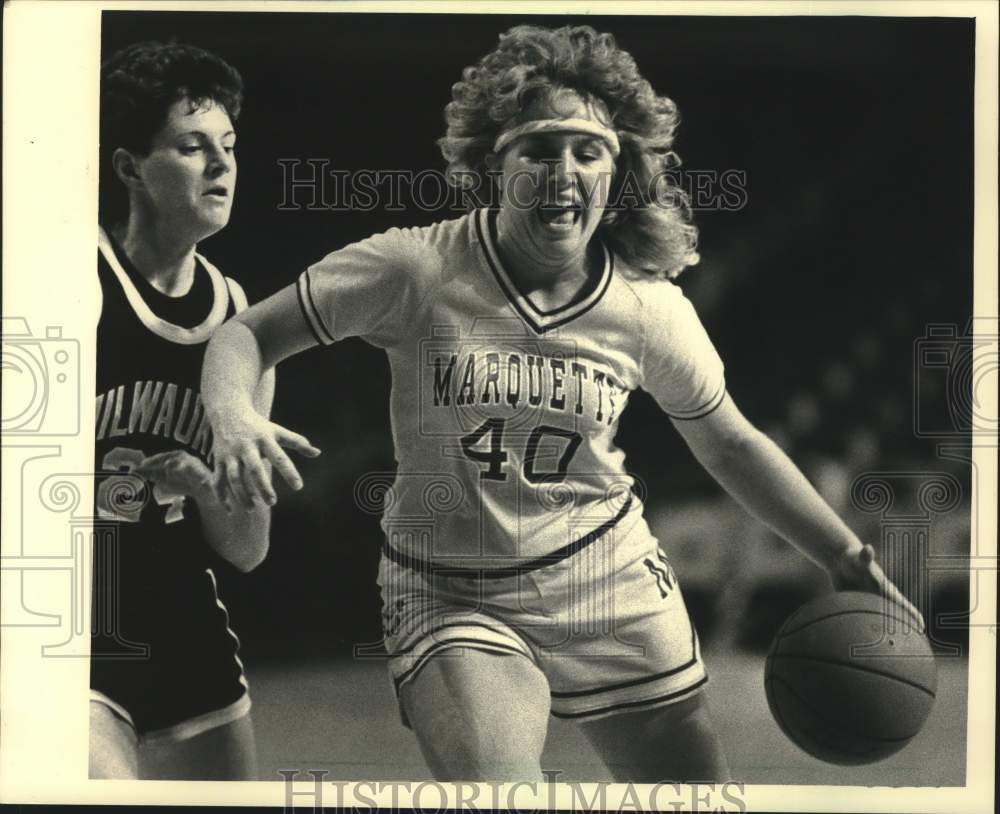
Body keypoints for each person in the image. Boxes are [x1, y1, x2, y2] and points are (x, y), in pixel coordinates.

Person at [199, 25, 921, 781]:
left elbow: (732, 444)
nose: (563, 171)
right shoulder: (415, 268)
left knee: (691, 798)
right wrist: (233, 415)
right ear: (492, 164)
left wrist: (843, 556)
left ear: (620, 172)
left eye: (588, 151)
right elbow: (244, 335)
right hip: (453, 588)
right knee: (496, 791)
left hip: (607, 574)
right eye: (539, 149)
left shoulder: (647, 308)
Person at [91, 41, 274, 780]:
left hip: (178, 608)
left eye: (228, 146)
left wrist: (207, 485)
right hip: (64, 596)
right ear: (131, 167)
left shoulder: (242, 319)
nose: (222, 166)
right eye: (193, 147)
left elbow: (246, 547)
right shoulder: (69, 280)